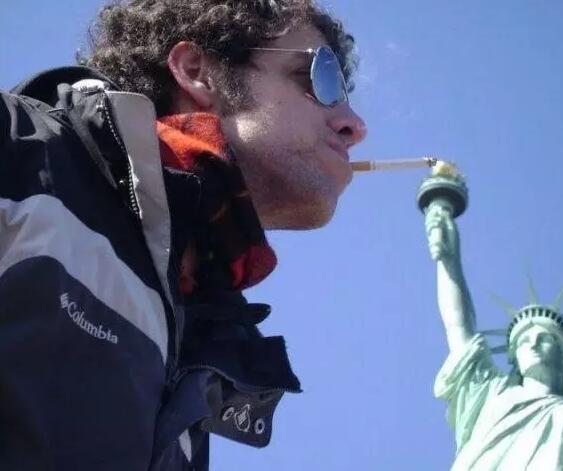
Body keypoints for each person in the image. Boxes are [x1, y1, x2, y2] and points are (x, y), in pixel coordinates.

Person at [0, 1, 366, 469]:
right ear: (197, 72)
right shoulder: (18, 153)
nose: (355, 126)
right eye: (320, 79)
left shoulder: (201, 353)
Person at [424, 198, 563, 470]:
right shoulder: (491, 396)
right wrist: (448, 261)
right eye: (523, 341)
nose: (532, 344)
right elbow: (458, 327)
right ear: (514, 358)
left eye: (545, 338)